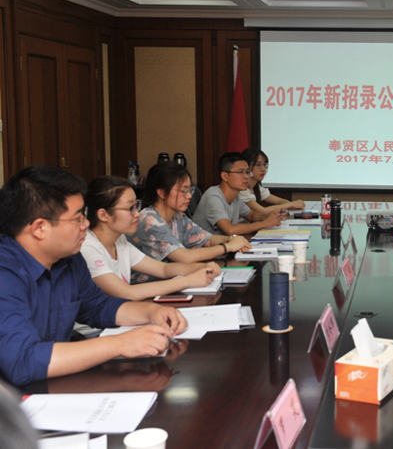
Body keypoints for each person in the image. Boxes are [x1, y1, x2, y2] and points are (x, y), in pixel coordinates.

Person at [0, 166, 188, 386]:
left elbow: (98, 307)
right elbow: (22, 361)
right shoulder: (5, 274)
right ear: (39, 228)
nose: (86, 224)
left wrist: (151, 311)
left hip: (53, 385)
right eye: (77, 218)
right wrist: (120, 344)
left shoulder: (70, 259)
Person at [80, 176, 222, 299]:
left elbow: (163, 269)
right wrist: (187, 281)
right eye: (130, 208)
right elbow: (127, 293)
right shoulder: (87, 247)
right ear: (103, 215)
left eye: (136, 206)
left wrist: (202, 267)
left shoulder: (119, 240)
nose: (137, 213)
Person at [127, 162, 252, 275]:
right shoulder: (150, 220)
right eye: (183, 191)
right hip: (147, 286)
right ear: (162, 193)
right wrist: (227, 247)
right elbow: (185, 257)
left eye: (190, 190)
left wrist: (232, 239)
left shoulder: (178, 217)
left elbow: (208, 239)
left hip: (172, 280)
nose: (189, 196)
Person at [192, 152, 281, 236]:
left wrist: (270, 215)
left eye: (247, 172)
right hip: (204, 246)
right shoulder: (213, 197)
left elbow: (252, 215)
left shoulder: (235, 197)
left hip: (224, 243)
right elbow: (230, 230)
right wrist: (265, 223)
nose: (246, 176)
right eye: (240, 172)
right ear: (225, 176)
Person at [239, 147, 305, 215]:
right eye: (258, 165)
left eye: (265, 165)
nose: (263, 169)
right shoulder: (241, 189)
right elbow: (262, 211)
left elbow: (279, 201)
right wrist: (291, 204)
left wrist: (290, 205)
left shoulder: (256, 187)